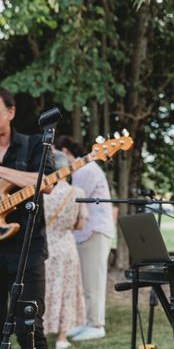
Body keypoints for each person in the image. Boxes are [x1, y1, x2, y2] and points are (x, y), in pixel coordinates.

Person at [0, 87, 55, 349]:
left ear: (10, 112)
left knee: (29, 329)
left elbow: (45, 183)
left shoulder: (35, 144)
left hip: (27, 250)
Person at [54, 135, 114, 342]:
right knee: (83, 280)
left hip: (94, 232)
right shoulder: (82, 169)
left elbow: (77, 201)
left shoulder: (86, 169)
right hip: (84, 233)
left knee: (93, 280)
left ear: (64, 152)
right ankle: (84, 321)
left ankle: (96, 325)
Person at [42, 150, 87, 349]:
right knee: (67, 291)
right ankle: (62, 338)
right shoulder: (76, 193)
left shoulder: (41, 193)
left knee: (43, 291)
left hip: (44, 246)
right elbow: (79, 225)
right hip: (67, 246)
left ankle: (39, 332)